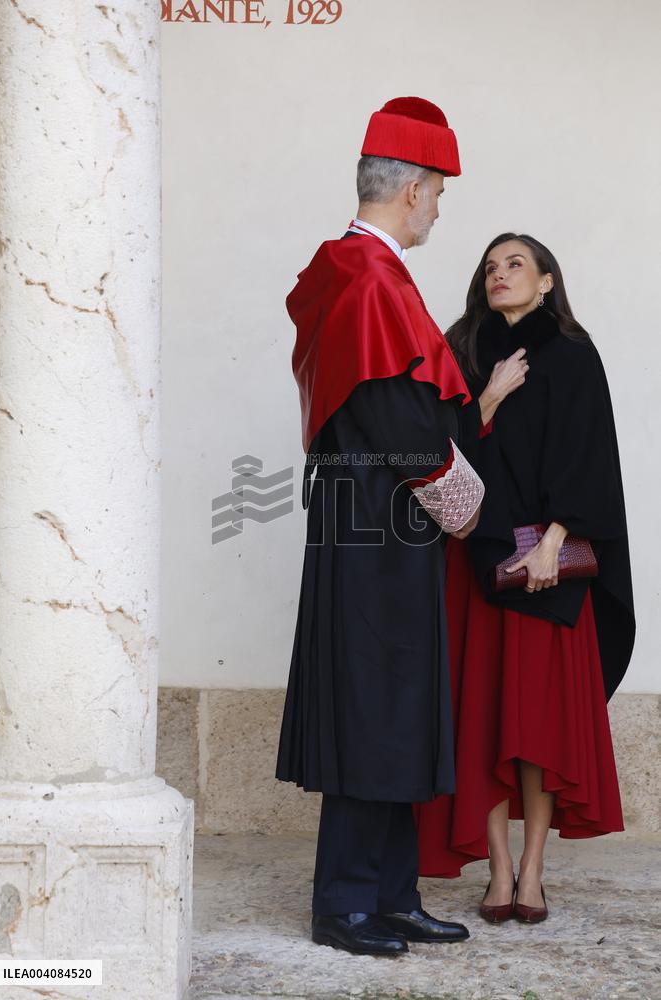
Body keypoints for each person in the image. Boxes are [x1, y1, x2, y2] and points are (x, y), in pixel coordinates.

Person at [276, 98, 487, 956]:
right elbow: (400, 421)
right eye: (437, 191)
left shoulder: (350, 270)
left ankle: (391, 892)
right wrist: (469, 506)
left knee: (395, 700)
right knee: (375, 701)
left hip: (370, 519)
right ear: (413, 188)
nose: (439, 207)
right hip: (381, 523)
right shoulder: (371, 277)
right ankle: (347, 904)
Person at [414, 233, 636, 924]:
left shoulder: (572, 354)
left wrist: (555, 542)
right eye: (491, 267)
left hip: (551, 567)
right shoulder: (462, 352)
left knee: (536, 730)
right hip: (479, 562)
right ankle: (499, 873)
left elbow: (590, 453)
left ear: (546, 282)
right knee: (483, 721)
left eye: (516, 265)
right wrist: (488, 396)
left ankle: (533, 872)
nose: (500, 275)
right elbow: (436, 450)